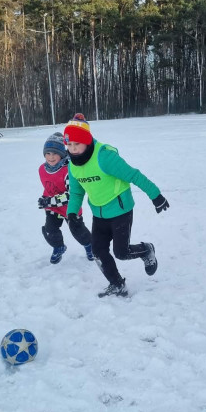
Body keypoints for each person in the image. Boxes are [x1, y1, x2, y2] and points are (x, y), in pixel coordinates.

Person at [64, 113, 169, 298]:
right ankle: (117, 284)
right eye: (69, 145)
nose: (73, 149)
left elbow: (133, 175)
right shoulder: (72, 165)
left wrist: (156, 195)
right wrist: (72, 214)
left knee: (121, 252)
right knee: (98, 251)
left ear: (87, 142)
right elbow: (77, 192)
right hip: (98, 213)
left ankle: (147, 250)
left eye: (76, 144)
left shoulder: (104, 157)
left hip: (121, 210)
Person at [38, 131, 94, 264]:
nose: (51, 157)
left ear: (62, 154)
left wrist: (49, 201)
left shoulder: (68, 170)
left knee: (78, 231)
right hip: (53, 208)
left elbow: (70, 195)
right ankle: (59, 247)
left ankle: (90, 245)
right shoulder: (42, 169)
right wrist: (44, 199)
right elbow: (49, 187)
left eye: (55, 153)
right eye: (48, 153)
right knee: (50, 230)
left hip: (70, 208)